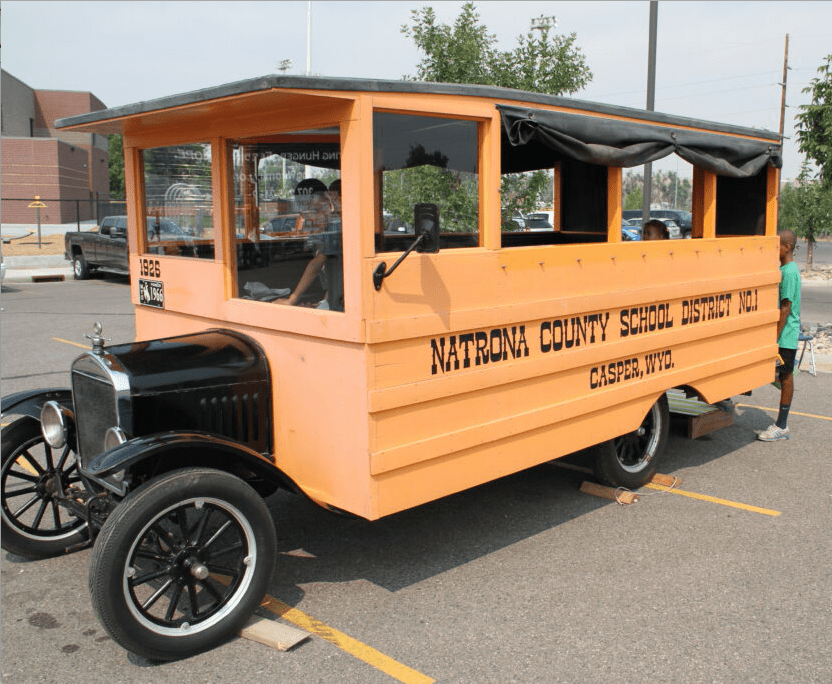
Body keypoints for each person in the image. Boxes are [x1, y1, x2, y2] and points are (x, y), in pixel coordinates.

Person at [757, 229, 801, 441]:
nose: (775, 249)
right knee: (782, 375)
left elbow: (785, 307)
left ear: (787, 248)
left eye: (777, 246)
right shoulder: (785, 269)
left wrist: (774, 337)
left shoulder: (790, 272)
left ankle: (781, 425)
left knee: (784, 377)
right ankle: (782, 423)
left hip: (786, 335)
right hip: (785, 334)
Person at [277, 178, 343, 311]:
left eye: (311, 210)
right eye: (303, 211)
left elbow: (316, 265)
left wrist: (292, 299)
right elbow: (334, 277)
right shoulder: (320, 231)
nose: (306, 217)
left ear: (325, 202)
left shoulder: (335, 226)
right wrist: (324, 302)